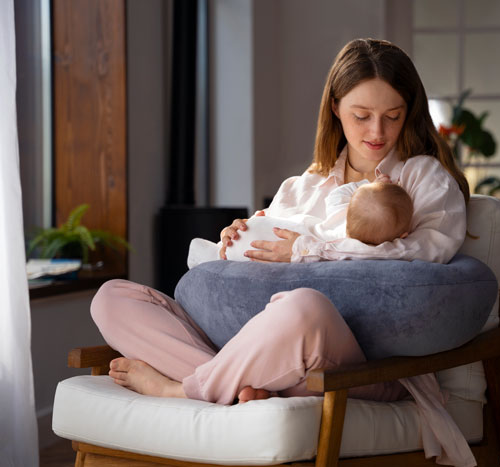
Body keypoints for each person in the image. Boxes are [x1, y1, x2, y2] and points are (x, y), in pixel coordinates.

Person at [91, 38, 474, 466]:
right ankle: (247, 381)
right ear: (334, 107)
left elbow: (425, 257)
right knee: (112, 298)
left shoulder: (423, 179)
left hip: (360, 366)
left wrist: (310, 251)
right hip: (266, 347)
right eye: (361, 116)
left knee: (303, 307)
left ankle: (179, 387)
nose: (377, 133)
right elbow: (248, 278)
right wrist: (234, 244)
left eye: (393, 116)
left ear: (410, 112)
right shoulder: (301, 188)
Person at [186, 175, 413, 268]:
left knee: (229, 253)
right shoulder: (358, 249)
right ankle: (213, 254)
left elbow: (338, 195)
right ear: (402, 235)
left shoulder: (341, 211)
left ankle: (213, 254)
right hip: (265, 237)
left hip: (267, 228)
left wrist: (369, 183)